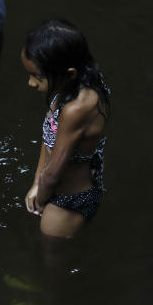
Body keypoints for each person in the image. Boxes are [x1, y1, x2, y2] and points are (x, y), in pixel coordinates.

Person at [21, 20, 111, 238]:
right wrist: (36, 182)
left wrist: (41, 198)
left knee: (53, 261)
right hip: (53, 188)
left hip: (69, 201)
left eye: (38, 77)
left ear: (69, 73)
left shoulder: (77, 109)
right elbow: (48, 137)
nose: (30, 83)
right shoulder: (73, 86)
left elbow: (53, 175)